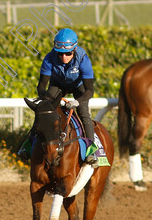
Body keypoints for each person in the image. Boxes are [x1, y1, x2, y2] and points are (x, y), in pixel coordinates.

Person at [19, 28, 97, 166]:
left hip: (79, 87)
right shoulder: (49, 58)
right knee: (43, 111)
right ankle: (28, 145)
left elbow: (90, 90)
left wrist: (77, 102)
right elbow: (41, 86)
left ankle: (92, 151)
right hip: (58, 85)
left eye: (68, 53)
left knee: (84, 114)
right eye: (60, 54)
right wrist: (46, 99)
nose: (64, 58)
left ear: (75, 49)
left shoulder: (83, 59)